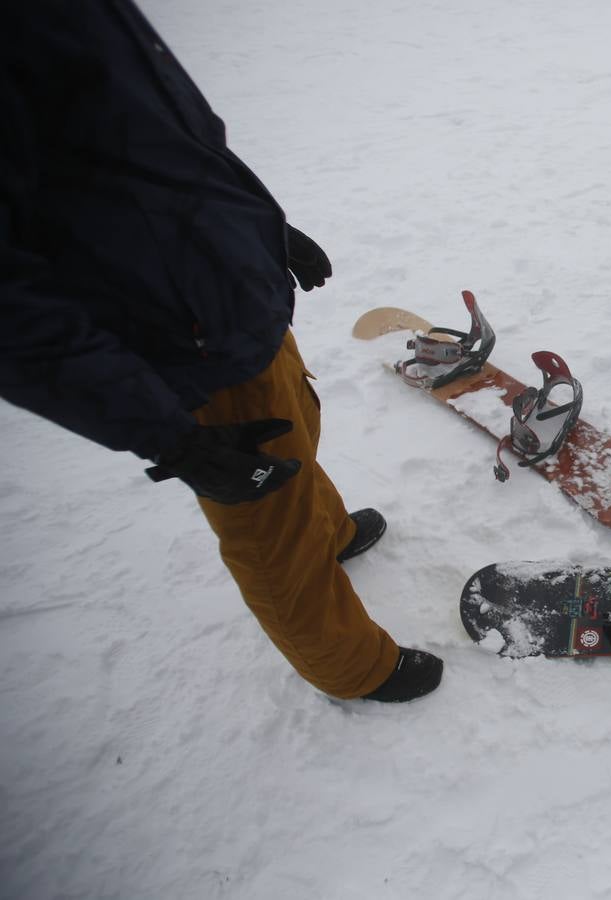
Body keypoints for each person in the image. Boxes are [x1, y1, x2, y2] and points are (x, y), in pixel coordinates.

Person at [0, 2, 442, 701]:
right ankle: (349, 667)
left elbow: (169, 148)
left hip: (228, 298)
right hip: (178, 342)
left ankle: (325, 529)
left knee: (298, 429)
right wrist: (169, 437)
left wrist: (265, 230)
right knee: (269, 523)